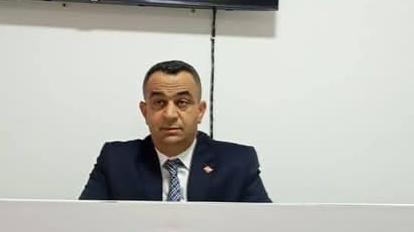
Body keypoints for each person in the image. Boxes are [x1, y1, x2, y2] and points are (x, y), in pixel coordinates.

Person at [79, 60, 271, 202]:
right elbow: (84, 224)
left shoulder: (237, 162)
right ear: (145, 112)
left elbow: (264, 228)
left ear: (200, 111)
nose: (170, 114)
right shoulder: (116, 160)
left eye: (182, 102)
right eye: (159, 102)